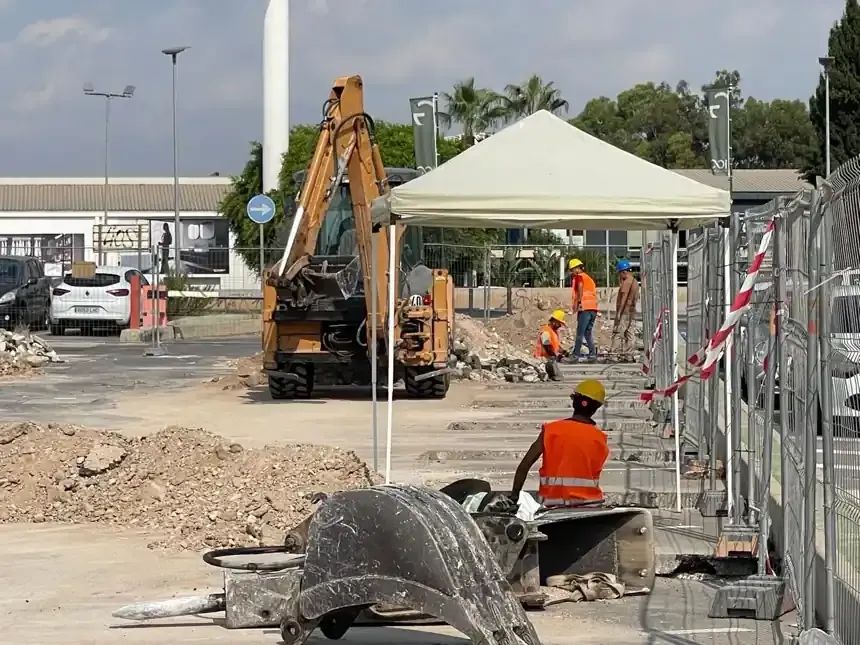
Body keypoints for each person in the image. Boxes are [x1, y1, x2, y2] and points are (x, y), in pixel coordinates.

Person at [510, 379, 610, 506]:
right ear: (596, 408)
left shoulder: (551, 430)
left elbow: (524, 466)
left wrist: (514, 497)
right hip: (591, 505)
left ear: (574, 402)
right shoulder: (600, 438)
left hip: (553, 506)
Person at [568, 258, 599, 361]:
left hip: (585, 307)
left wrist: (580, 303)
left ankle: (576, 355)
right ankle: (592, 354)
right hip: (593, 308)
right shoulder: (589, 278)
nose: (572, 272)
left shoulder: (579, 277)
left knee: (580, 332)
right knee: (587, 332)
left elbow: (580, 288)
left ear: (577, 268)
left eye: (572, 270)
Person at [610, 259, 639, 361]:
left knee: (617, 333)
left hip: (625, 312)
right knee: (630, 333)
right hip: (632, 312)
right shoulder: (635, 282)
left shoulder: (626, 282)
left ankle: (613, 355)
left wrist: (619, 313)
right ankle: (628, 355)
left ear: (624, 272)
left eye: (619, 273)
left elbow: (624, 298)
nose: (619, 276)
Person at [533, 309, 567, 381]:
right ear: (554, 321)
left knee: (560, 376)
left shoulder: (553, 331)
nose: (560, 325)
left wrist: (563, 352)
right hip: (543, 359)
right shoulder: (546, 331)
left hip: (549, 358)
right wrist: (554, 356)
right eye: (559, 323)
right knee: (558, 377)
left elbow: (556, 345)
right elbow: (547, 345)